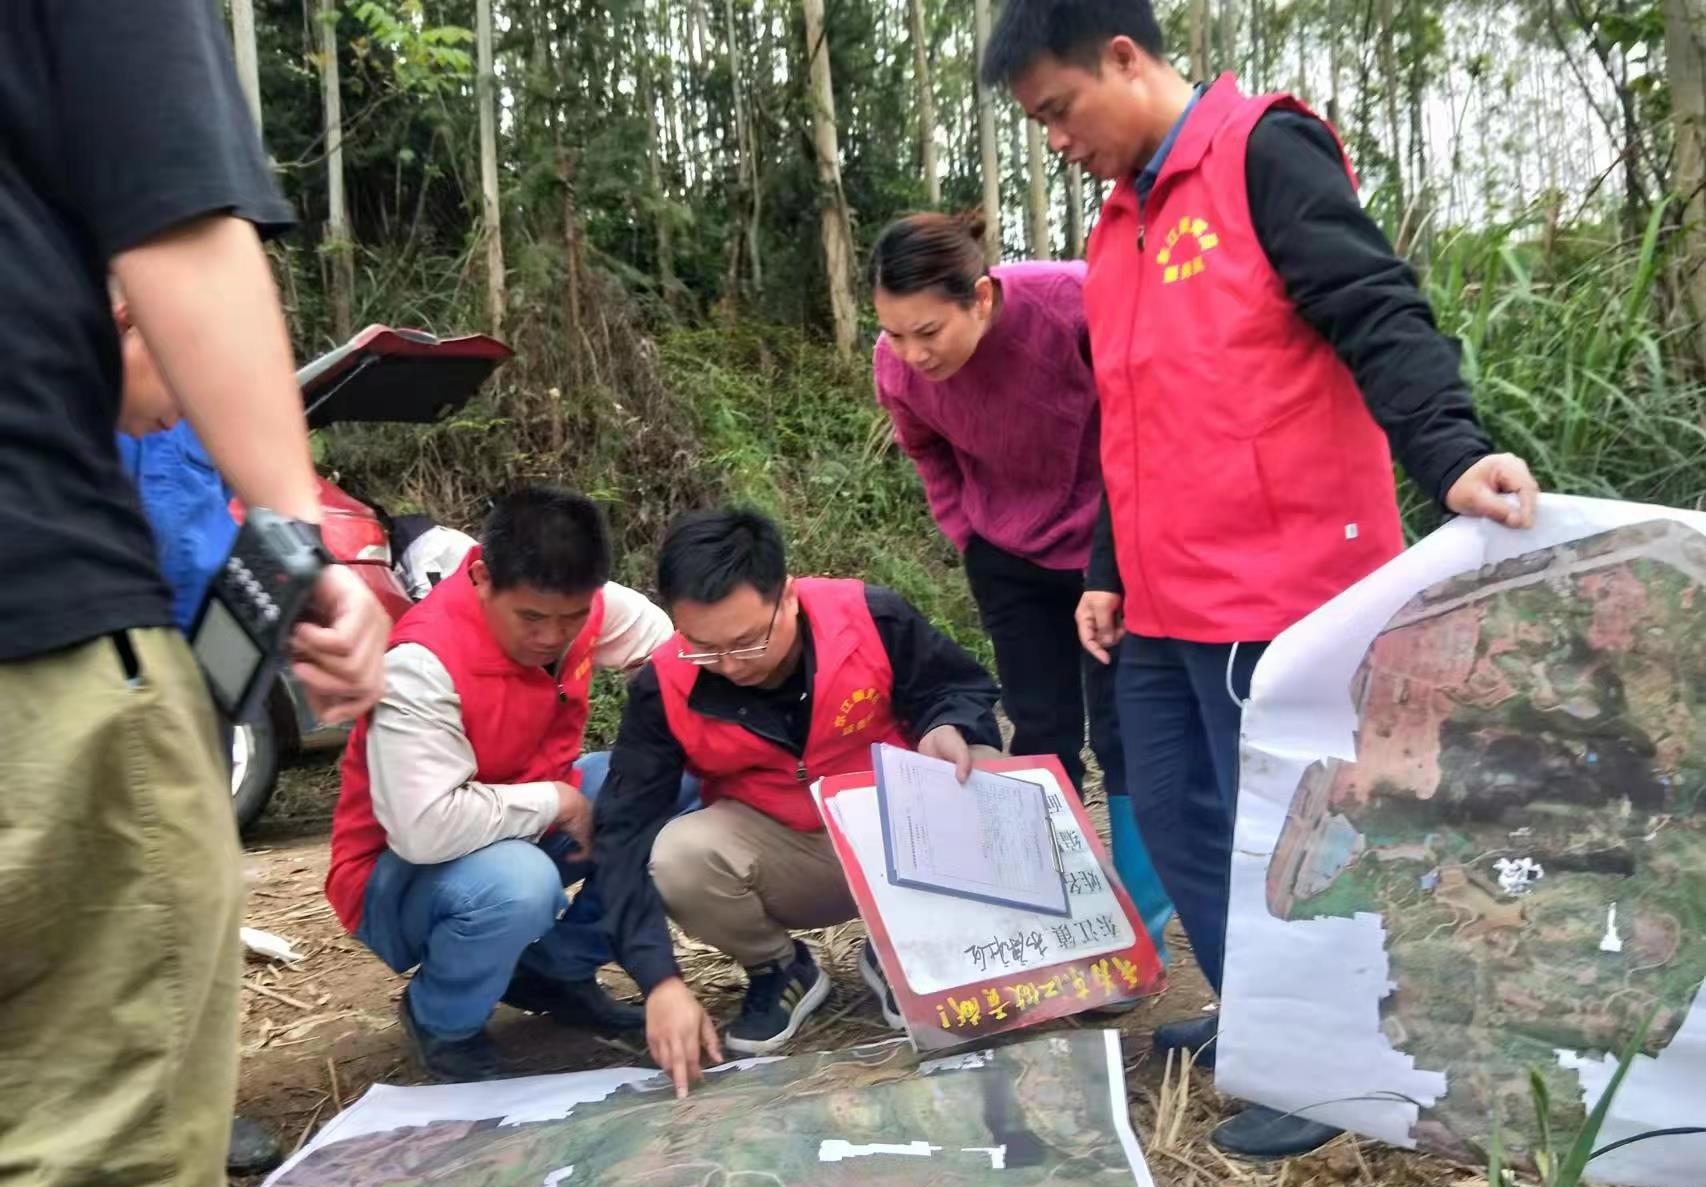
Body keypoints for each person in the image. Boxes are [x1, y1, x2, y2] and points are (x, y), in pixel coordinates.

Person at [981, 0, 1541, 1158]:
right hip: (1163, 602)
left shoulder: (1259, 152)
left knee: (1292, 842)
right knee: (1180, 821)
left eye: (1056, 109)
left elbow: (1372, 307)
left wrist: (1445, 448)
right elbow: (1125, 416)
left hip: (1276, 594)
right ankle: (1260, 1018)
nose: (1053, 139)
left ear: (1123, 58)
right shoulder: (1115, 221)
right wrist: (1102, 565)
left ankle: (1331, 1063)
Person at [0, 4, 389, 1187]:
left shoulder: (161, 453)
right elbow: (183, 225)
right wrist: (297, 528)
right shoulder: (132, 436)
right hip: (48, 648)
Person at [593, 507, 1004, 1095]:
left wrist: (951, 725)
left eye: (746, 642)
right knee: (678, 857)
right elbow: (623, 829)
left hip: (897, 832)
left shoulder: (868, 617)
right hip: (784, 849)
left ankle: (905, 947)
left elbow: (955, 687)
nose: (730, 667)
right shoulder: (665, 684)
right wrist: (659, 980)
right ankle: (780, 968)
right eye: (704, 648)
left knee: (983, 768)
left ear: (787, 595)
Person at [868, 210, 1172, 957]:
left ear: (978, 295)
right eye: (895, 333)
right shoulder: (896, 365)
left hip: (1114, 545)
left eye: (928, 331)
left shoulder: (1072, 302)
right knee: (1041, 733)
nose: (912, 352)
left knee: (1127, 730)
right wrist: (969, 537)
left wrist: (1124, 548)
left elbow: (1149, 416)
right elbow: (929, 453)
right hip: (1007, 553)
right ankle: (1064, 921)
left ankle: (1143, 931)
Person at [326, 487, 696, 1083]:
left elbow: (671, 653)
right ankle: (441, 1020)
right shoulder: (421, 662)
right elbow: (423, 829)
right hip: (399, 873)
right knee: (521, 885)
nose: (552, 637)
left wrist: (662, 723)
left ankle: (555, 970)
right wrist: (556, 800)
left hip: (524, 815)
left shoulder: (594, 609)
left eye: (571, 618)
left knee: (679, 783)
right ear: (481, 578)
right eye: (531, 618)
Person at [110, 299, 286, 1178]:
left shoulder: (196, 392)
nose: (183, 409)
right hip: (92, 662)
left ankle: (197, 1106)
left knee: (194, 893)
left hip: (203, 666)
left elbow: (209, 522)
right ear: (125, 314)